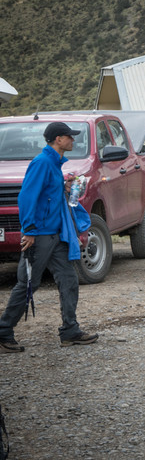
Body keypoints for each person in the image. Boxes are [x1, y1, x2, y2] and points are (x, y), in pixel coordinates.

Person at [0, 122, 97, 353]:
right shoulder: (42, 163)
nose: (73, 141)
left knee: (69, 279)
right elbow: (26, 198)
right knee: (27, 284)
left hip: (56, 235)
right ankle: (3, 332)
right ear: (58, 139)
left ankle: (70, 331)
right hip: (40, 236)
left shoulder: (54, 164)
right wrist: (30, 231)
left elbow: (46, 195)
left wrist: (64, 187)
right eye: (70, 137)